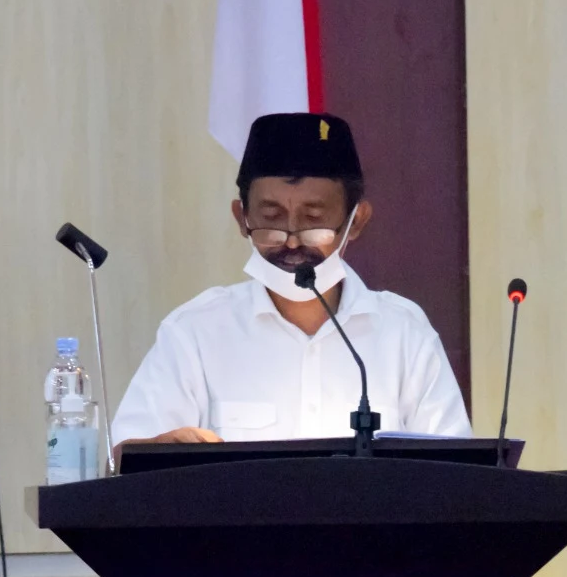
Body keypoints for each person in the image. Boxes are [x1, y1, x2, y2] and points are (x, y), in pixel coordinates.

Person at [111, 112, 471, 445]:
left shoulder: (404, 334)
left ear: (356, 221)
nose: (292, 241)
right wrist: (160, 449)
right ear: (242, 218)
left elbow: (455, 473)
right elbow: (126, 461)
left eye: (314, 219)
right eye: (271, 218)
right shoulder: (195, 333)